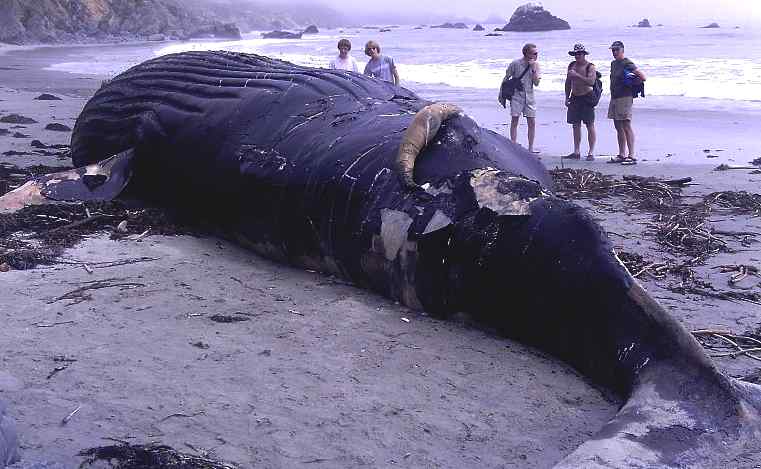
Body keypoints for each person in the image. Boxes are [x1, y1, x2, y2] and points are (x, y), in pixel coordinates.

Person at [607, 40, 646, 164]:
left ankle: (632, 155)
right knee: (618, 126)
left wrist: (630, 83)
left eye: (616, 50)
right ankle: (622, 154)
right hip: (615, 97)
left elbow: (642, 77)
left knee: (626, 125)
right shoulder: (613, 64)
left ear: (622, 50)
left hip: (625, 97)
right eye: (613, 50)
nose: (614, 52)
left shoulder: (627, 63)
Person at [505, 43, 541, 154]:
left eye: (537, 53)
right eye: (534, 53)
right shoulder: (515, 64)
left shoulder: (536, 65)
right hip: (516, 95)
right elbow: (506, 77)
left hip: (529, 96)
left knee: (532, 122)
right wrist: (504, 94)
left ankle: (530, 148)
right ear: (526, 53)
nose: (536, 55)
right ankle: (513, 145)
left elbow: (537, 83)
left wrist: (534, 69)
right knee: (515, 119)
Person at [564, 43, 597, 160]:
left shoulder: (590, 67)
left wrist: (577, 75)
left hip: (587, 96)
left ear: (584, 54)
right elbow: (568, 82)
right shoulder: (571, 65)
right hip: (575, 97)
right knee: (575, 125)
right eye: (575, 54)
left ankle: (591, 152)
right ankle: (576, 151)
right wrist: (566, 97)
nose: (577, 56)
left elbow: (591, 82)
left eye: (579, 54)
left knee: (589, 124)